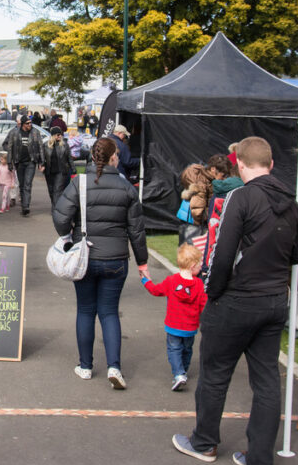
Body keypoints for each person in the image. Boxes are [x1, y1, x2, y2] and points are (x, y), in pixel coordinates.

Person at [172, 136, 298, 465]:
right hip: (274, 299)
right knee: (266, 381)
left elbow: (221, 251)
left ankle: (204, 442)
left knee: (215, 374)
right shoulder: (291, 203)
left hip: (237, 299)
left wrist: (213, 293)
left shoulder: (239, 198)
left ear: (241, 166)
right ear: (271, 165)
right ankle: (260, 458)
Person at [53, 137, 148, 390]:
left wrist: (70, 233)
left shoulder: (79, 184)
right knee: (109, 312)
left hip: (84, 256)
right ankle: (114, 366)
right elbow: (137, 230)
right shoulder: (126, 187)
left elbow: (60, 216)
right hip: (116, 259)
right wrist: (143, 262)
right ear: (114, 157)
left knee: (85, 311)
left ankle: (85, 367)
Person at [141, 243, 207, 391]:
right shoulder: (199, 285)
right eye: (199, 265)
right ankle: (183, 370)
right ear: (193, 266)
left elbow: (156, 290)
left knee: (174, 349)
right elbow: (204, 305)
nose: (201, 268)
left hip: (173, 325)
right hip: (190, 327)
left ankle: (178, 374)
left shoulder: (171, 281)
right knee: (187, 349)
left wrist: (146, 281)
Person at [1, 115, 44, 216]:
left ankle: (26, 206)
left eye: (31, 123)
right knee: (22, 184)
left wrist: (41, 161)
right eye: (28, 123)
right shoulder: (14, 132)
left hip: (31, 162)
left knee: (28, 184)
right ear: (23, 124)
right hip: (19, 162)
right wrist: (9, 162)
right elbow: (10, 147)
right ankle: (24, 204)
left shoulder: (35, 132)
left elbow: (40, 146)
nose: (30, 125)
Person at [178, 163, 214, 245]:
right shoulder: (200, 186)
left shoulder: (191, 181)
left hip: (185, 216)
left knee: (184, 244)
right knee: (192, 245)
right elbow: (197, 210)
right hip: (193, 220)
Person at [42, 126, 73, 214]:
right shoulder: (45, 145)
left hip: (61, 171)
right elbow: (42, 158)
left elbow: (69, 158)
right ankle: (55, 205)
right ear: (53, 135)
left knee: (57, 190)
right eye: (58, 134)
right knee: (51, 191)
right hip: (49, 172)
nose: (60, 136)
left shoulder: (65, 145)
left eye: (61, 135)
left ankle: (56, 210)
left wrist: (73, 169)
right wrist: (41, 165)